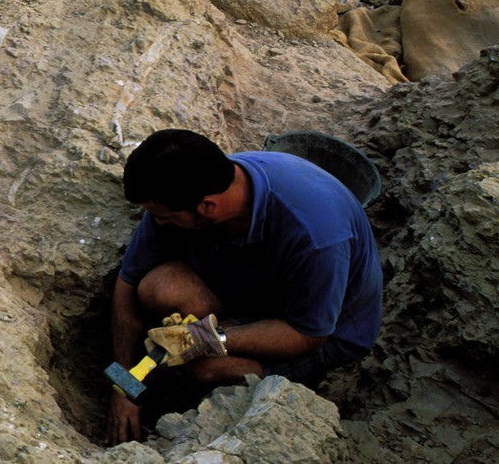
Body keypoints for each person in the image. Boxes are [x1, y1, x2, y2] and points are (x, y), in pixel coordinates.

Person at [106, 129, 382, 445]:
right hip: (251, 288)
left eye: (165, 218)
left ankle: (212, 378)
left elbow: (309, 333)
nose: (157, 223)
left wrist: (207, 338)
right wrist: (124, 384)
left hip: (320, 329)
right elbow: (128, 283)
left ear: (207, 207)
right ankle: (208, 343)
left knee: (206, 368)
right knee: (159, 288)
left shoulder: (316, 238)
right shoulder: (186, 185)